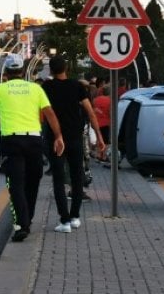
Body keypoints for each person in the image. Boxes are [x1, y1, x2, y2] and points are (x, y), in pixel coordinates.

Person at [0, 54, 65, 242]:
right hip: (34, 140)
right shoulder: (35, 88)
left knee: (16, 184)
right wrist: (58, 136)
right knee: (33, 180)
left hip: (11, 141)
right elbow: (49, 113)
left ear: (7, 72)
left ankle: (22, 224)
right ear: (22, 70)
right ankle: (29, 217)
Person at [42, 56, 105, 233]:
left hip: (56, 138)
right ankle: (75, 216)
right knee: (77, 178)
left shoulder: (46, 87)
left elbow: (42, 112)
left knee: (59, 179)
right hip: (76, 138)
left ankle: (64, 221)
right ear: (66, 68)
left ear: (51, 71)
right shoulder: (77, 86)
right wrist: (99, 136)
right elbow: (91, 113)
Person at [93, 85, 111, 162]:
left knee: (98, 138)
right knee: (105, 140)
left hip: (96, 123)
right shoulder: (110, 100)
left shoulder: (95, 100)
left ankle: (98, 154)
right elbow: (110, 112)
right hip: (106, 123)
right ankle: (103, 156)